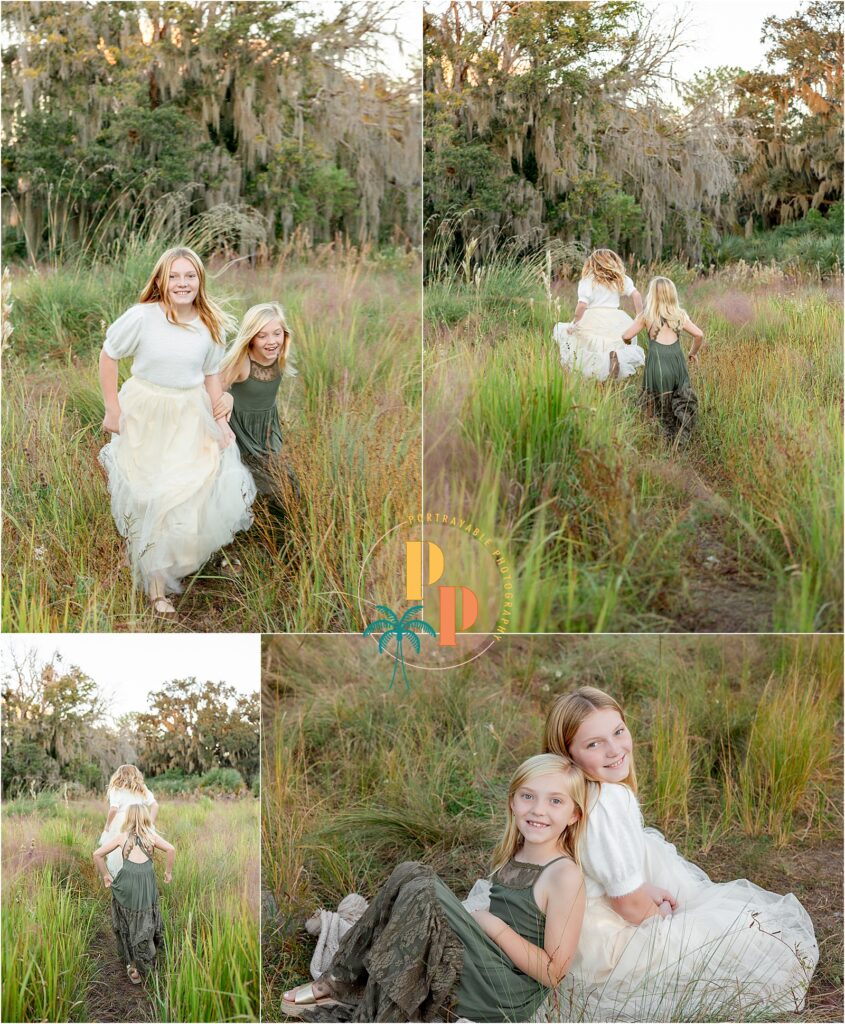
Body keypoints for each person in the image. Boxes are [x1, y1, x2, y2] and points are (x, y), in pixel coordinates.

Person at [541, 686, 819, 1022]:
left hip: (585, 906)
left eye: (618, 732)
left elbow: (606, 871)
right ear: (568, 754)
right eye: (594, 744)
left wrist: (642, 888)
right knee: (736, 944)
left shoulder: (569, 795)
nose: (615, 749)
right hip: (600, 937)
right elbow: (626, 905)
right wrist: (661, 918)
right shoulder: (608, 803)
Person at [281, 754, 587, 1022]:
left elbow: (553, 972)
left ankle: (343, 983)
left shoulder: (563, 875)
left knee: (420, 879)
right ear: (512, 800)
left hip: (504, 992)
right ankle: (342, 979)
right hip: (485, 963)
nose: (538, 810)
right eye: (528, 796)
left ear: (574, 815)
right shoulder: (517, 851)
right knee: (413, 879)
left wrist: (492, 926)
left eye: (555, 801)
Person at [98, 245, 256, 616]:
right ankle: (156, 588)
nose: (182, 283)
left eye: (190, 276)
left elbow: (212, 375)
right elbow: (109, 354)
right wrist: (112, 408)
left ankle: (161, 569)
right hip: (145, 412)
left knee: (184, 494)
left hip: (189, 414)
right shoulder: (143, 317)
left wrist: (220, 421)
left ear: (199, 281)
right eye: (175, 276)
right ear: (161, 281)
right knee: (150, 494)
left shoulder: (208, 324)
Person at [214, 302, 299, 535]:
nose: (271, 341)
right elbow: (210, 387)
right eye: (262, 336)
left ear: (285, 334)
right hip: (241, 435)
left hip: (266, 433)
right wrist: (226, 397)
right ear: (251, 338)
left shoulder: (279, 356)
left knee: (290, 484)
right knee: (266, 488)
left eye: (277, 333)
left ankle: (280, 533)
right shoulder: (242, 362)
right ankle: (249, 536)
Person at [93, 804, 176, 985]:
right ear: (146, 817)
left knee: (127, 924)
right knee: (145, 922)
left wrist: (106, 876)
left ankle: (132, 966)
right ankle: (146, 961)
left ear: (128, 818)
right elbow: (171, 849)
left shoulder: (122, 837)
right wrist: (168, 872)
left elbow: (97, 854)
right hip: (146, 888)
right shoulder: (151, 837)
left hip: (127, 887)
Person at [621, 276, 704, 445]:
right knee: (680, 399)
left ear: (652, 295)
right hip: (676, 363)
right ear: (672, 294)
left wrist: (629, 344)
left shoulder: (646, 316)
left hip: (657, 363)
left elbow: (626, 336)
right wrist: (692, 353)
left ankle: (660, 440)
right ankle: (680, 439)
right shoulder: (680, 315)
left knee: (658, 403)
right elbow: (699, 334)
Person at [553, 249, 645, 381]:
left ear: (592, 263)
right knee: (613, 345)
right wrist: (639, 316)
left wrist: (575, 322)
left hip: (593, 317)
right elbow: (636, 295)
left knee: (590, 346)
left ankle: (597, 377)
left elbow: (582, 305)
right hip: (616, 319)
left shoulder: (588, 281)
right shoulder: (619, 278)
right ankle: (612, 369)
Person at [98, 765, 158, 879]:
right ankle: (140, 877)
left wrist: (107, 825)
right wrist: (150, 823)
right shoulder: (141, 788)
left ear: (119, 775)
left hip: (122, 824)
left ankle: (121, 878)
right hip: (140, 821)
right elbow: (155, 805)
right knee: (140, 851)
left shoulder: (116, 788)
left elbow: (114, 808)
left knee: (118, 852)